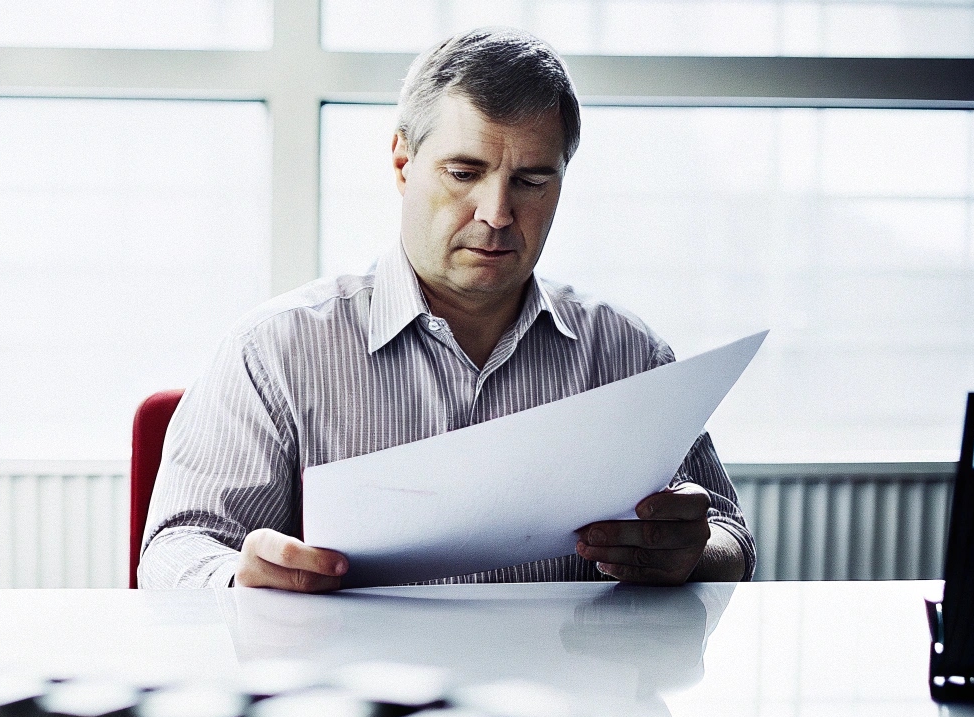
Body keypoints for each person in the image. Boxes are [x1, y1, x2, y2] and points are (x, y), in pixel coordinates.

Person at [138, 28, 754, 592]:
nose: (497, 213)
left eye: (533, 181)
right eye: (464, 172)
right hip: (356, 697)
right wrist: (238, 581)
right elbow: (174, 551)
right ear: (403, 164)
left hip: (572, 700)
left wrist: (694, 552)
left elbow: (733, 535)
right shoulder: (275, 349)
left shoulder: (628, 354)